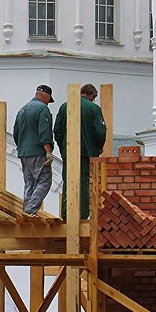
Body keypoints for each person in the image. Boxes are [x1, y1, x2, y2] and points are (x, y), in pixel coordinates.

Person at [54, 84, 108, 219]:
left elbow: (57, 130)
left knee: (68, 180)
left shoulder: (64, 107)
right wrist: (97, 148)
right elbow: (100, 131)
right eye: (94, 98)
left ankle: (67, 214)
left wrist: (63, 148)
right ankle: (83, 214)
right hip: (86, 152)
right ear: (91, 95)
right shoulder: (93, 108)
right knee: (83, 182)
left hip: (69, 152)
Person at [12, 85, 55, 216]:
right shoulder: (42, 109)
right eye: (49, 100)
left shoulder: (23, 109)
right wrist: (48, 151)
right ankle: (29, 211)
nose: (48, 102)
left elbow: (16, 132)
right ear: (46, 96)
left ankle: (27, 211)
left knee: (29, 183)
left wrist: (22, 148)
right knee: (44, 181)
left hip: (24, 153)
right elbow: (44, 132)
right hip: (38, 152)